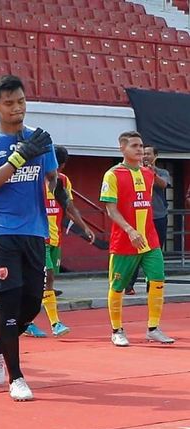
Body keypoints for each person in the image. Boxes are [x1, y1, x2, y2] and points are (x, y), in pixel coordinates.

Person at [0, 75, 57, 401]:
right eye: (9, 103)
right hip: (2, 231)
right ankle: (16, 377)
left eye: (20, 101)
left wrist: (64, 198)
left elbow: (51, 178)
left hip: (36, 230)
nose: (16, 108)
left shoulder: (38, 137)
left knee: (33, 303)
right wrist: (18, 158)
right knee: (9, 302)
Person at [100, 131, 174, 347]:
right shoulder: (112, 175)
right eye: (134, 146)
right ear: (122, 148)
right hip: (124, 241)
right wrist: (130, 231)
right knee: (117, 286)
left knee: (158, 280)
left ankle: (153, 328)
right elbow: (111, 210)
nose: (140, 150)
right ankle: (117, 330)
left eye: (141, 146)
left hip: (149, 240)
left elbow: (144, 205)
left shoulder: (148, 175)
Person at [25, 145, 96, 338]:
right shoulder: (33, 179)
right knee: (47, 279)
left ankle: (26, 322)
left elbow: (69, 206)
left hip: (55, 238)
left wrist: (85, 227)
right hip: (37, 238)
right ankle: (55, 323)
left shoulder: (63, 181)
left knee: (41, 282)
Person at [124, 145, 171, 295]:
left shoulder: (162, 172)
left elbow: (163, 185)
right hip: (139, 218)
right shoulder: (136, 172)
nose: (144, 156)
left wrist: (151, 172)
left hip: (158, 217)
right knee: (136, 250)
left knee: (155, 251)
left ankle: (152, 284)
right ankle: (129, 284)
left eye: (148, 154)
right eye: (143, 154)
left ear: (155, 156)